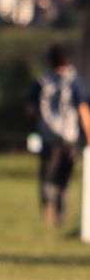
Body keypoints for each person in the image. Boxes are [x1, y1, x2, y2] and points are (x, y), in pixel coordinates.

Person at [28, 43, 90, 228]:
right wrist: (88, 135)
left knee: (46, 177)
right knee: (64, 180)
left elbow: (30, 110)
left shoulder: (41, 82)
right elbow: (82, 110)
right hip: (69, 138)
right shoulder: (74, 82)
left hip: (48, 138)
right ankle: (60, 216)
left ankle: (46, 209)